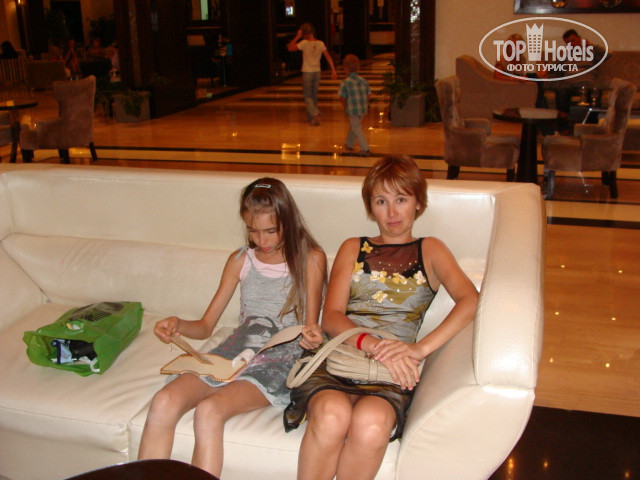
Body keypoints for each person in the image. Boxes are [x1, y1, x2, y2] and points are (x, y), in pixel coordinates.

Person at [284, 155, 479, 480]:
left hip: (391, 371)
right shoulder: (353, 247)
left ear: (418, 203)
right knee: (331, 416)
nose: (392, 213)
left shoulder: (430, 249)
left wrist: (419, 349)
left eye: (401, 199)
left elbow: (470, 300)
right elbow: (331, 316)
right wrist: (373, 345)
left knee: (371, 424)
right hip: (342, 356)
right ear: (370, 207)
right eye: (381, 201)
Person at [138, 177, 327, 478]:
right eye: (252, 230)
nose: (261, 240)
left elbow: (311, 327)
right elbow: (205, 326)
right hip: (235, 350)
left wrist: (312, 337)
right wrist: (177, 324)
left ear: (288, 222)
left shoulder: (310, 259)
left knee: (209, 410)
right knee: (164, 401)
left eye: (270, 231)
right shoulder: (241, 259)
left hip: (279, 358)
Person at [287, 23, 338, 126]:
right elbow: (328, 57)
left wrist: (297, 37)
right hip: (317, 72)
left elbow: (290, 48)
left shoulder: (304, 43)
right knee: (314, 95)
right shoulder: (320, 43)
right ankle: (311, 118)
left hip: (307, 72)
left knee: (307, 95)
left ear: (304, 33)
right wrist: (333, 70)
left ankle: (315, 113)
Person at [551, 29, 606, 116]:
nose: (572, 44)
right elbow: (553, 68)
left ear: (579, 39)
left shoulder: (590, 51)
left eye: (573, 40)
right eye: (568, 42)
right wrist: (545, 70)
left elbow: (607, 55)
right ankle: (564, 122)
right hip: (569, 85)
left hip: (588, 83)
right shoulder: (564, 55)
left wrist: (591, 46)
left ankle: (592, 122)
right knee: (561, 91)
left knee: (596, 91)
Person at [339, 54, 371, 157]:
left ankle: (365, 148)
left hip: (352, 109)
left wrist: (345, 107)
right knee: (355, 126)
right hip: (363, 109)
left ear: (345, 69)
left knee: (356, 127)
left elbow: (342, 98)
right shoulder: (364, 81)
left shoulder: (345, 83)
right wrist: (365, 104)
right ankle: (349, 143)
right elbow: (369, 94)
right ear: (358, 68)